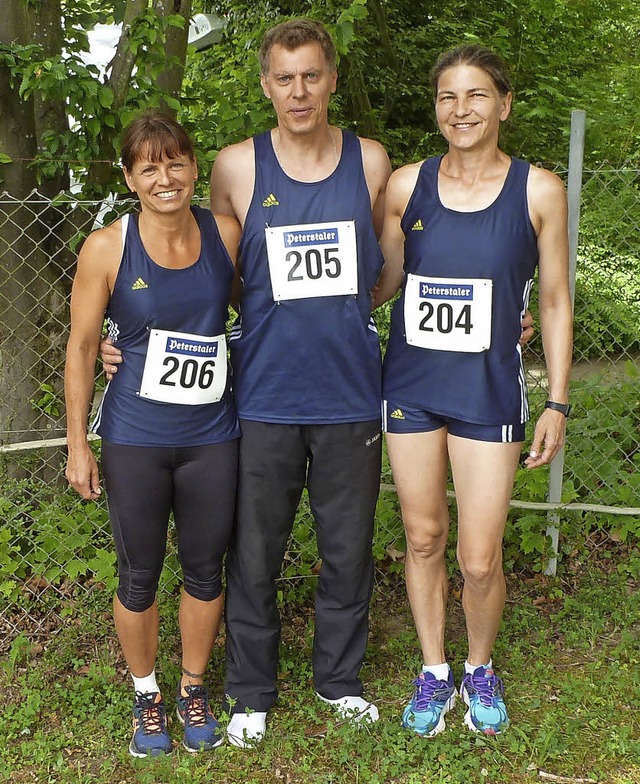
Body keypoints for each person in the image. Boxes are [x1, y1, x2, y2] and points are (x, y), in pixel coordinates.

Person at [374, 44, 573, 737]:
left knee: (479, 557)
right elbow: (382, 283)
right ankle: (434, 671)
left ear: (504, 104)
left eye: (477, 95)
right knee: (423, 537)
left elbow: (552, 300)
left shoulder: (540, 189)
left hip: (489, 390)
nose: (461, 110)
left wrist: (556, 399)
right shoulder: (406, 186)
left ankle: (479, 666)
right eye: (448, 98)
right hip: (411, 388)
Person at [65, 111, 241, 757]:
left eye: (176, 163)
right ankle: (147, 695)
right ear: (130, 176)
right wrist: (78, 442)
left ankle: (193, 687)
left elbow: (268, 309)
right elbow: (84, 345)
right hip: (136, 437)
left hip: (212, 434)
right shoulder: (108, 247)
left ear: (195, 165)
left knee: (203, 568)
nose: (165, 178)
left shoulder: (224, 232)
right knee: (139, 572)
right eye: (149, 167)